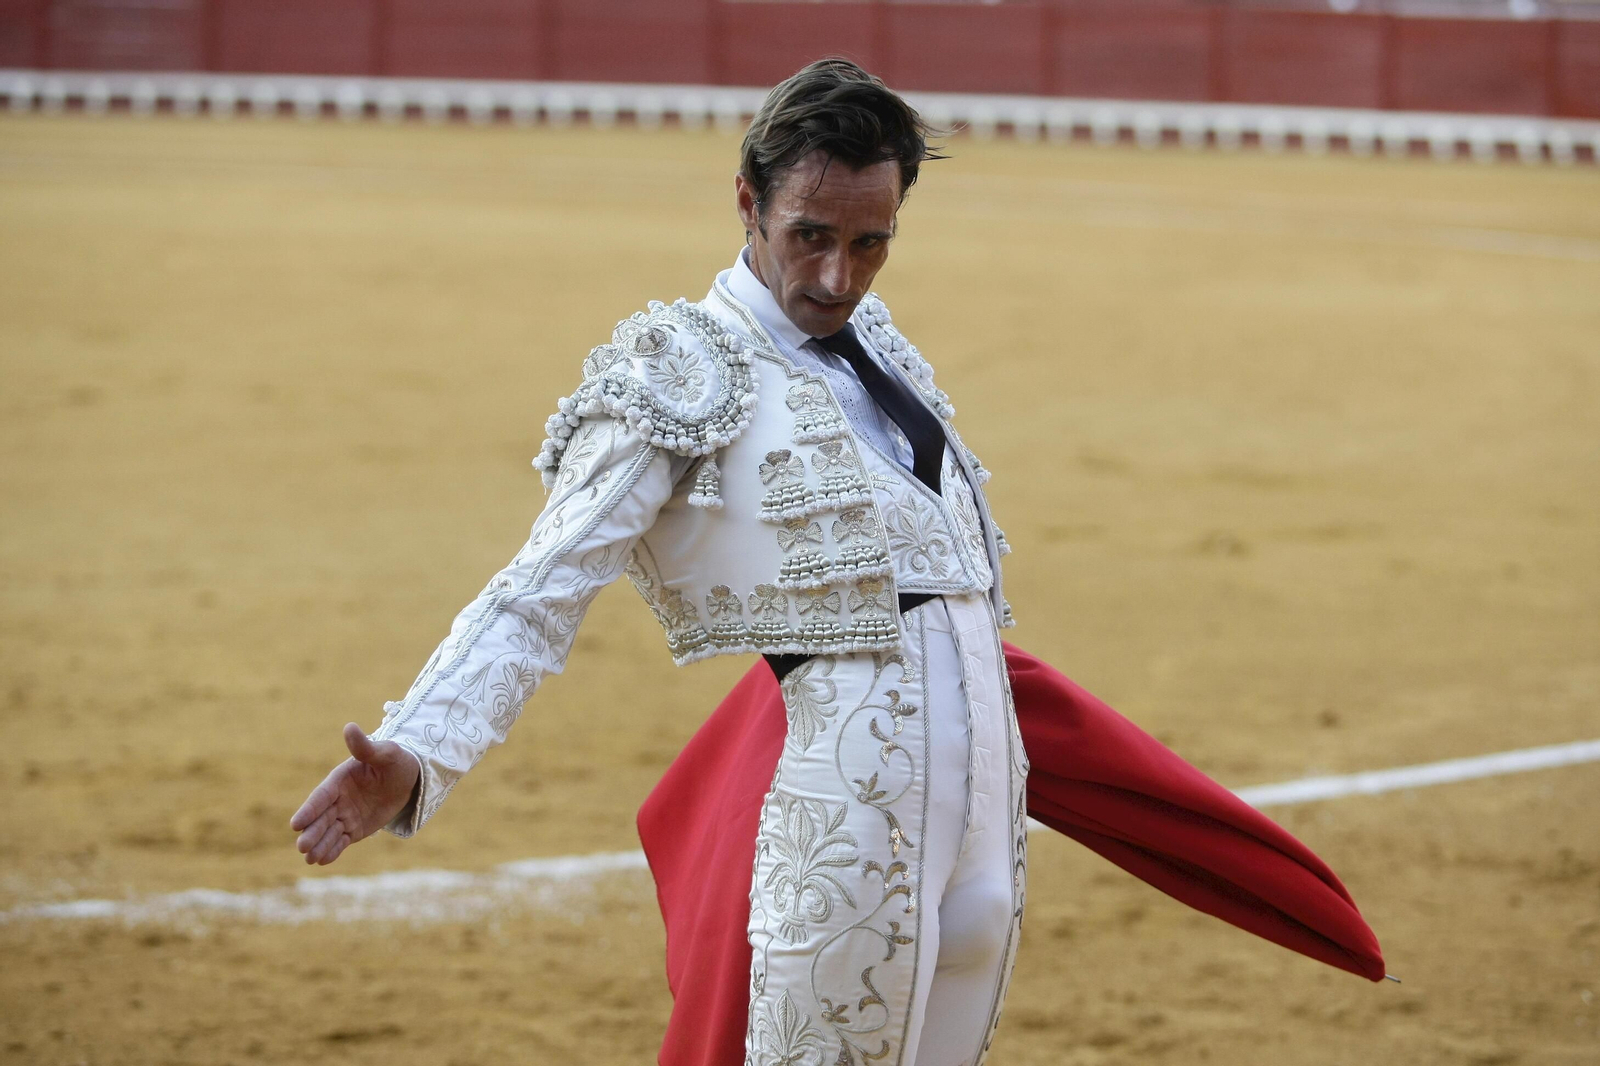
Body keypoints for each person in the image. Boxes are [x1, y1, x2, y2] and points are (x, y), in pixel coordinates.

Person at [291, 58, 1029, 1063]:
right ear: (745, 202)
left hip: (988, 827)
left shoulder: (880, 350)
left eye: (869, 244)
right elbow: (540, 590)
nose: (835, 279)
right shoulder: (682, 368)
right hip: (848, 831)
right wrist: (422, 747)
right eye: (809, 236)